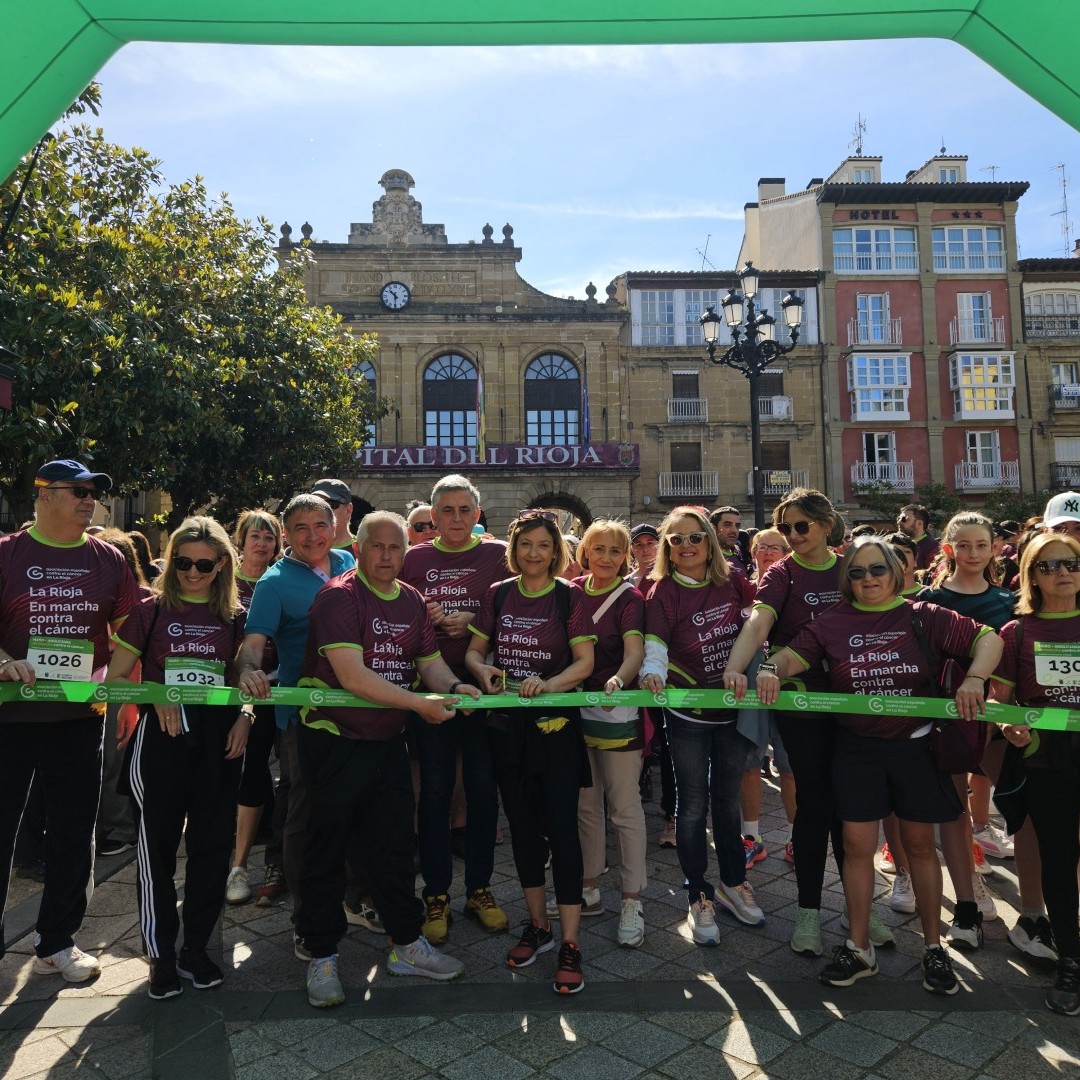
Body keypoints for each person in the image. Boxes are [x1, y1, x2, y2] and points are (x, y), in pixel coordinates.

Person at [753, 536, 1001, 996]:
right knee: (856, 844)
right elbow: (792, 655)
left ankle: (933, 949)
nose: (868, 579)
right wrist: (770, 669)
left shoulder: (921, 615)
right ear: (846, 581)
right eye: (858, 572)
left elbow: (989, 639)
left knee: (920, 847)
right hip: (858, 750)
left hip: (916, 748)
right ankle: (859, 946)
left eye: (877, 569)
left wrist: (974, 679)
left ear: (895, 572)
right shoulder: (833, 620)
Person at [295, 511, 478, 1008]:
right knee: (326, 851)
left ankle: (405, 944)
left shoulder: (414, 600)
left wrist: (457, 687)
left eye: (395, 548)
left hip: (387, 742)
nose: (386, 556)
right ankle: (321, 954)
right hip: (333, 740)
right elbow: (352, 676)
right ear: (358, 549)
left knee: (397, 847)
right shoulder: (339, 595)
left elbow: (430, 665)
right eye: (377, 547)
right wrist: (421, 704)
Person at [0, 460, 139, 984]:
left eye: (95, 493)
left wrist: (122, 691)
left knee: (74, 831)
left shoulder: (108, 559)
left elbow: (129, 630)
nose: (90, 501)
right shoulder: (8, 553)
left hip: (79, 717)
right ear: (44, 494)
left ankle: (56, 942)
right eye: (79, 491)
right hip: (9, 717)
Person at [108, 517, 250, 999]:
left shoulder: (234, 614)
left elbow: (243, 677)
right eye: (183, 562)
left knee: (212, 852)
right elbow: (116, 674)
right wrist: (155, 693)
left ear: (221, 565)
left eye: (203, 564)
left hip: (219, 741)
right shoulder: (149, 609)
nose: (192, 572)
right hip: (162, 739)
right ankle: (161, 954)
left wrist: (246, 716)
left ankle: (196, 949)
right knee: (157, 853)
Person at [465, 510, 596, 994]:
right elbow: (475, 653)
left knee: (561, 831)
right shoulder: (498, 594)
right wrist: (482, 671)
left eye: (543, 545)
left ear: (556, 550)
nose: (534, 554)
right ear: (513, 550)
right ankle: (537, 925)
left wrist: (550, 684)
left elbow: (585, 663)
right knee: (521, 829)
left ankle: (569, 940)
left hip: (556, 728)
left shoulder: (570, 596)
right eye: (525, 545)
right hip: (506, 729)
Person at [723, 488, 852, 958]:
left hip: (852, 701)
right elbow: (758, 623)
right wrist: (739, 666)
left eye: (803, 526)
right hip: (799, 704)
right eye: (787, 528)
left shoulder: (851, 566)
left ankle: (861, 911)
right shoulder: (782, 573)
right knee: (815, 805)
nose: (795, 536)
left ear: (826, 524)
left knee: (853, 813)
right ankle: (809, 912)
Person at [640, 505, 762, 943]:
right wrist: (651, 671)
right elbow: (655, 643)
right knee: (691, 805)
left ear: (709, 541)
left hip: (734, 709)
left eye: (694, 537)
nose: (687, 545)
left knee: (727, 800)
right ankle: (698, 894)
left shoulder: (733, 581)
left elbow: (758, 622)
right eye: (677, 540)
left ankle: (733, 881)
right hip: (687, 713)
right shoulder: (661, 591)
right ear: (667, 550)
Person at [236, 495, 356, 925]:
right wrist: (249, 673)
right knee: (305, 816)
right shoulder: (273, 582)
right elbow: (251, 646)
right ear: (286, 534)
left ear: (334, 525)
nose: (312, 536)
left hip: (360, 711)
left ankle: (351, 900)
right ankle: (307, 916)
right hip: (304, 718)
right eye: (301, 528)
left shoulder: (347, 562)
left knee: (353, 811)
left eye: (320, 525)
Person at [400, 475, 510, 944]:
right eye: (447, 510)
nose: (457, 519)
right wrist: (424, 615)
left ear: (478, 514)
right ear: (433, 515)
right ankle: (437, 894)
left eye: (465, 510)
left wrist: (478, 620)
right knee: (437, 793)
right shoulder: (413, 559)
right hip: (432, 692)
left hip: (486, 692)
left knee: (484, 793)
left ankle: (481, 888)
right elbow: (393, 611)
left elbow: (533, 603)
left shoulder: (500, 554)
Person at [917, 511, 1018, 950]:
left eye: (982, 545)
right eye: (964, 546)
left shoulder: (1009, 602)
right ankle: (966, 903)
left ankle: (1033, 910)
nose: (973, 554)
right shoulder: (928, 599)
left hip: (997, 721)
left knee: (1018, 808)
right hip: (947, 723)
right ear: (948, 550)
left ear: (995, 548)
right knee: (954, 814)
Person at [990, 531, 1080, 1014]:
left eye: (1071, 563)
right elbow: (998, 704)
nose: (1063, 572)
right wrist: (1009, 725)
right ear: (1031, 576)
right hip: (1048, 760)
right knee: (1059, 863)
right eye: (1048, 566)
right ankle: (1070, 958)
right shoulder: (1017, 633)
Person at [566, 520, 647, 946]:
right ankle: (589, 885)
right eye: (599, 549)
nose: (606, 558)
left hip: (618, 712)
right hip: (576, 710)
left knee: (625, 808)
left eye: (616, 551)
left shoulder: (630, 597)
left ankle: (632, 898)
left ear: (626, 556)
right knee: (585, 804)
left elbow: (633, 653)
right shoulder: (571, 591)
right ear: (585, 553)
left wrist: (618, 679)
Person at [226, 510, 284, 906]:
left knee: (284, 775)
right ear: (241, 540)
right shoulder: (223, 582)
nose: (262, 544)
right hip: (233, 692)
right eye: (255, 536)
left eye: (269, 537)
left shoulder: (282, 579)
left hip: (281, 687)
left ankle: (277, 862)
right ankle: (237, 865)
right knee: (244, 771)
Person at [739, 528, 796, 866]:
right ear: (753, 551)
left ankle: (795, 838)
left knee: (790, 767)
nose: (769, 552)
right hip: (748, 687)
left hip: (789, 686)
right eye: (762, 547)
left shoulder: (796, 588)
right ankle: (750, 837)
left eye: (777, 547)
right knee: (748, 764)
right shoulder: (741, 589)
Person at [309, 478, 355, 549]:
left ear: (348, 510)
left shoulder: (364, 551)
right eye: (315, 504)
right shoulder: (301, 551)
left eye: (330, 504)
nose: (321, 510)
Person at [897, 503, 939, 571]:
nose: (899, 522)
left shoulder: (933, 548)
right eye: (898, 519)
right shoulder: (897, 546)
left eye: (904, 519)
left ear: (919, 524)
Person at [710, 505, 749, 576]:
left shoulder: (738, 554)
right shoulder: (705, 557)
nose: (734, 530)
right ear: (713, 528)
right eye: (727, 525)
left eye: (737, 526)